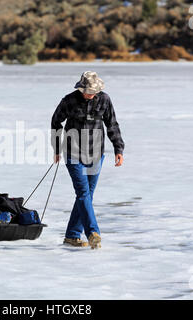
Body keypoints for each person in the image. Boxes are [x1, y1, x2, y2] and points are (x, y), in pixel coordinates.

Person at [51, 71, 124, 249]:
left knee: (86, 197)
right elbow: (55, 122)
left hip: (96, 154)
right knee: (83, 193)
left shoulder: (105, 100)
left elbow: (112, 124)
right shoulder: (69, 100)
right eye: (85, 90)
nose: (88, 94)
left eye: (91, 91)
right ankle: (93, 233)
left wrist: (118, 148)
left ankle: (72, 236)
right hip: (73, 154)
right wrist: (56, 148)